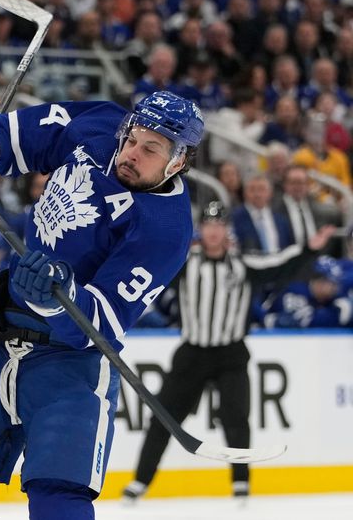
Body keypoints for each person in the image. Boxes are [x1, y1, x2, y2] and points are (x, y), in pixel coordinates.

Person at [0, 91, 204, 520]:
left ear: (177, 162)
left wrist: (62, 297)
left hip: (71, 366)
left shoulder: (165, 228)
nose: (132, 153)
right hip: (3, 339)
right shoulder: (98, 125)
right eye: (132, 138)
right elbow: (19, 136)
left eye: (151, 149)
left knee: (59, 505)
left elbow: (106, 319)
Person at [122, 202, 335, 504]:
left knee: (237, 419)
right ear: (202, 230)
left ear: (226, 230)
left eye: (219, 225)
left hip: (231, 354)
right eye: (208, 225)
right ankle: (140, 481)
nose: (213, 231)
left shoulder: (243, 264)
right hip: (192, 353)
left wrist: (309, 249)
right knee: (163, 418)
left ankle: (240, 483)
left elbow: (280, 264)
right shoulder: (184, 261)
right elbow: (151, 260)